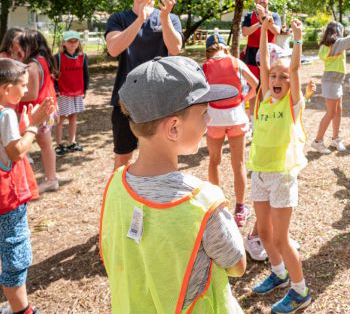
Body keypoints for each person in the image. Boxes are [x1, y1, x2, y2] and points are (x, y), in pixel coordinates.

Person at [100, 55, 246, 313]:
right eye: (203, 113)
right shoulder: (203, 202)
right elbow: (237, 265)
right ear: (174, 128)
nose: (209, 120)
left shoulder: (115, 185)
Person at [0, 58, 53, 314]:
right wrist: (35, 124)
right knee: (15, 259)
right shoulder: (4, 114)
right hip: (6, 201)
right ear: (6, 88)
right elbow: (16, 152)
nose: (26, 90)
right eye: (23, 85)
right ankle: (23, 310)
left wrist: (23, 127)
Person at [248, 17, 312, 313]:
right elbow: (261, 64)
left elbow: (295, 68)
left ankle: (300, 292)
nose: (276, 80)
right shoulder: (263, 99)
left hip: (282, 176)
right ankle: (278, 273)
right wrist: (263, 29)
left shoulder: (292, 105)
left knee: (280, 237)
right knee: (262, 232)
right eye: (273, 75)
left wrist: (297, 37)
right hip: (259, 173)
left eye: (282, 77)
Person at [105, 0, 182, 169]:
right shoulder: (119, 19)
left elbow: (175, 49)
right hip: (125, 99)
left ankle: (161, 199)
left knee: (165, 155)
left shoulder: (170, 18)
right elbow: (113, 48)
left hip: (162, 99)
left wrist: (164, 19)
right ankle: (118, 199)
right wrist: (140, 20)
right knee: (123, 159)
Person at [202, 30, 259, 227]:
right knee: (239, 164)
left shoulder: (205, 66)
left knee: (214, 162)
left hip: (215, 119)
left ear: (208, 51)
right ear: (225, 48)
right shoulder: (236, 61)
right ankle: (240, 209)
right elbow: (256, 84)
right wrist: (243, 99)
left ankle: (217, 207)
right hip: (236, 117)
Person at [310, 21, 350, 154]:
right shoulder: (336, 44)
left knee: (338, 110)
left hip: (336, 81)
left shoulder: (328, 46)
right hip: (332, 81)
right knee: (331, 112)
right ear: (337, 32)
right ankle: (317, 141)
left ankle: (335, 138)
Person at [18, 30, 60, 192]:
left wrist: (8, 96)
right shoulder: (44, 60)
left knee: (32, 146)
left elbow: (32, 94)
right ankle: (51, 178)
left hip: (38, 111)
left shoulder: (33, 66)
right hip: (47, 107)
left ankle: (50, 179)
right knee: (46, 145)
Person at [53, 30, 89, 155]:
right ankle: (58, 144)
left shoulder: (83, 56)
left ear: (78, 42)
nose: (73, 44)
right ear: (64, 43)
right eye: (70, 41)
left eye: (75, 41)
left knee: (73, 117)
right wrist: (56, 90)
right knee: (60, 119)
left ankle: (71, 142)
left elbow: (86, 74)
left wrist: (85, 89)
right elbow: (54, 75)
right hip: (63, 92)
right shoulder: (58, 57)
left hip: (77, 92)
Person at [241, 0, 281, 79]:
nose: (261, 0)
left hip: (269, 51)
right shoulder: (249, 15)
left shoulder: (274, 15)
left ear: (268, 0)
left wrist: (264, 17)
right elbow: (245, 32)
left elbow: (277, 31)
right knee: (253, 83)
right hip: (252, 53)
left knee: (269, 80)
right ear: (255, 0)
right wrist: (260, 23)